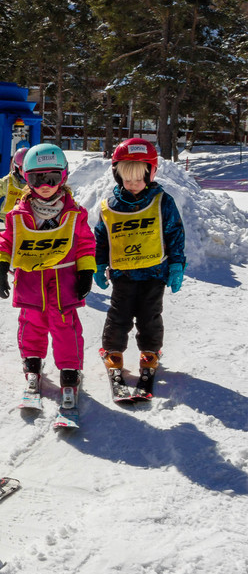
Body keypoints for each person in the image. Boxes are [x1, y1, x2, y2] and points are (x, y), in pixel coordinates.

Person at [0, 144, 96, 412]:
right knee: (32, 325)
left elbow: (85, 243)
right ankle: (32, 368)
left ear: (63, 177)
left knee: (66, 327)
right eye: (38, 179)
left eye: (52, 178)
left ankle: (70, 373)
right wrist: (0, 268)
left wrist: (86, 271)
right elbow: (7, 242)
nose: (45, 185)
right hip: (31, 283)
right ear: (27, 178)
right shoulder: (18, 215)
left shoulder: (74, 213)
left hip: (64, 283)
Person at [92, 138, 186, 398]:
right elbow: (102, 237)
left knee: (150, 317)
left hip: (154, 274)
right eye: (126, 179)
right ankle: (112, 353)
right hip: (123, 274)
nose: (132, 185)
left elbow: (175, 233)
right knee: (118, 317)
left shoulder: (161, 201)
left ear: (151, 173)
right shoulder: (111, 206)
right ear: (117, 175)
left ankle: (150, 352)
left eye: (138, 179)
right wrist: (99, 264)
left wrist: (177, 264)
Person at [0, 148, 30, 219]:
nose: (27, 172)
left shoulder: (35, 183)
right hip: (9, 216)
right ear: (16, 168)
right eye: (24, 169)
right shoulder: (8, 181)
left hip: (27, 217)